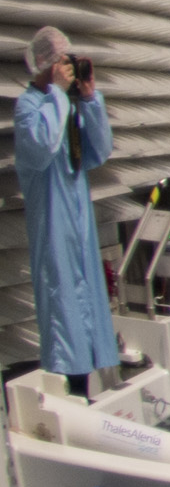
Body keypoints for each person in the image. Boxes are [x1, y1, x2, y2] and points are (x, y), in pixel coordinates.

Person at [13, 28, 116, 398]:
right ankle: (66, 392)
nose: (66, 66)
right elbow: (41, 147)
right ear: (43, 64)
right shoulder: (28, 107)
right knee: (63, 306)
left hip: (79, 221)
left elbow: (98, 152)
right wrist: (57, 93)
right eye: (60, 60)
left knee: (87, 300)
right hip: (54, 222)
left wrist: (89, 100)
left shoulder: (67, 105)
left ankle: (86, 388)